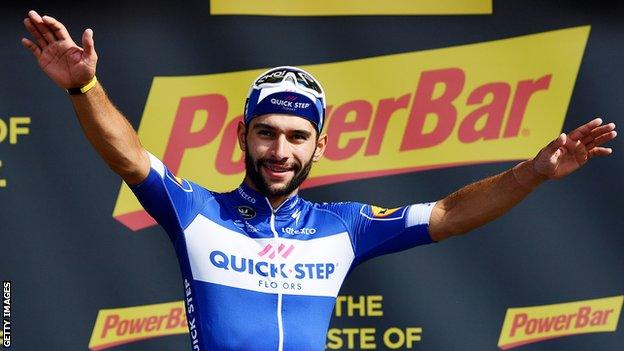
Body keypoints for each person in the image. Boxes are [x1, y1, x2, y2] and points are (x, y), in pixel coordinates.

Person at [22, 10, 617, 351]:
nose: (280, 150)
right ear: (242, 136)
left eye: (297, 136)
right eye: (267, 133)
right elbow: (129, 157)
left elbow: (450, 214)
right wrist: (84, 87)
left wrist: (535, 172)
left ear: (319, 146)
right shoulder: (195, 210)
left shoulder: (346, 227)